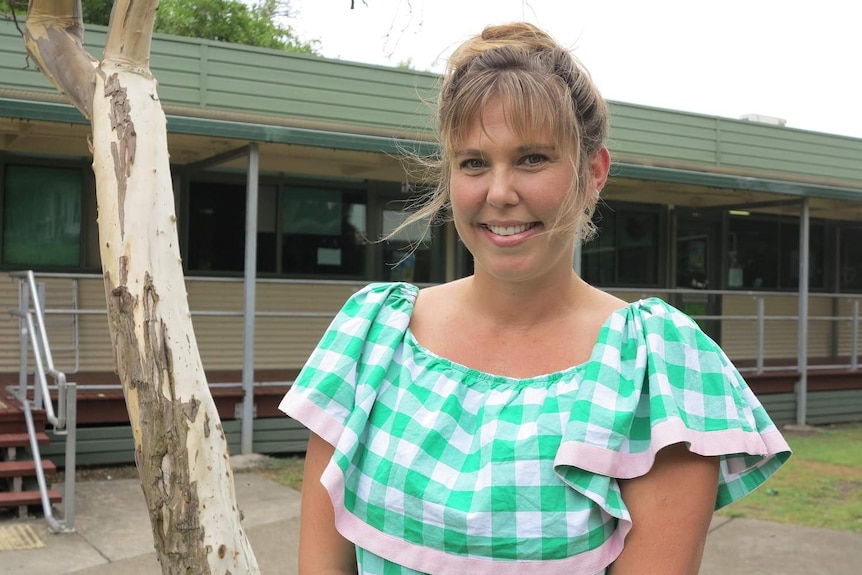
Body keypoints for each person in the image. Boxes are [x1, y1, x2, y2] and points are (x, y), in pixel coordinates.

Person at [279, 21, 791, 575]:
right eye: (474, 162)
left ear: (592, 173)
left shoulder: (657, 368)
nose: (500, 193)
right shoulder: (372, 337)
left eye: (532, 159)